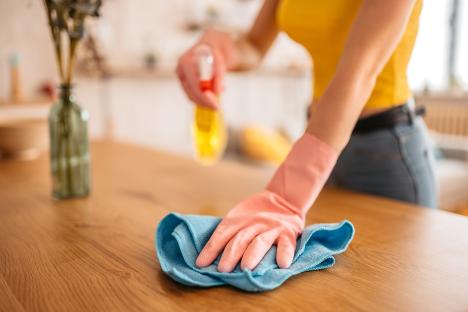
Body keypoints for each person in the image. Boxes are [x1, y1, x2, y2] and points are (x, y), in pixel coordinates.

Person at [176, 0, 436, 273]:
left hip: (386, 151)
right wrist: (221, 46)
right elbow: (253, 46)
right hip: (324, 140)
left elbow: (358, 74)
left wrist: (287, 195)